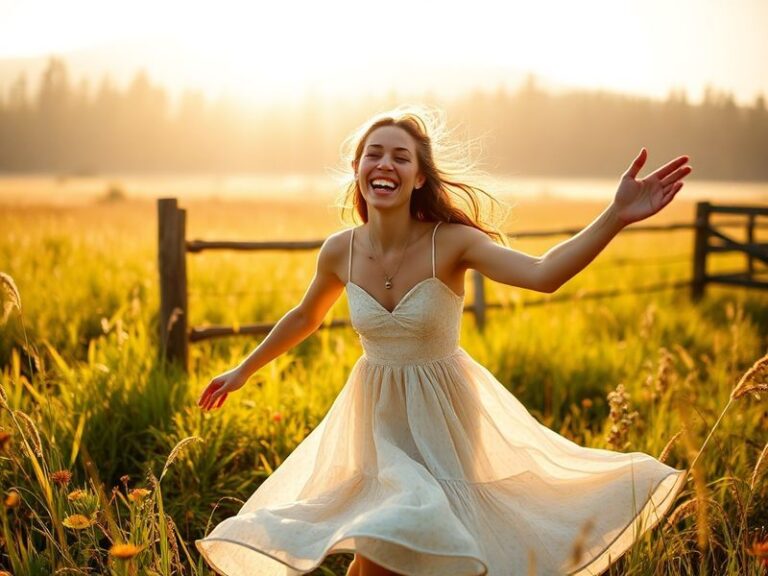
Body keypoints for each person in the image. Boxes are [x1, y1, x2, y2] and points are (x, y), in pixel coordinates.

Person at [195, 106, 692, 576]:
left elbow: (543, 274)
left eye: (400, 156)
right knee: (384, 536)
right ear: (358, 169)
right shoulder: (339, 250)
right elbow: (306, 315)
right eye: (374, 153)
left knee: (420, 545)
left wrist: (616, 215)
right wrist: (243, 370)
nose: (384, 163)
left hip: (446, 416)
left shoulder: (452, 242)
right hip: (377, 418)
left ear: (419, 177)